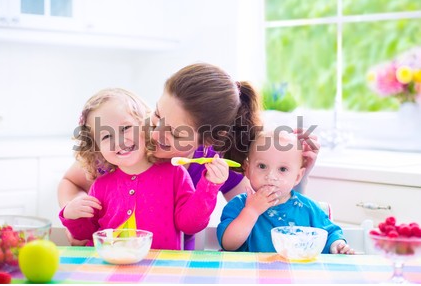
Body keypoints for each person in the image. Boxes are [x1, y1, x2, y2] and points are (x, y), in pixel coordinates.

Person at [58, 63, 320, 247]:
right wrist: (80, 215)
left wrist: (301, 176)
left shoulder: (210, 164)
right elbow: (70, 182)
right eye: (158, 114)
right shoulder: (123, 146)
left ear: (206, 143)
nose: (155, 131)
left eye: (175, 133)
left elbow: (268, 218)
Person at [59, 88, 228, 250]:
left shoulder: (174, 174)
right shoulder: (101, 185)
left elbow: (190, 224)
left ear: (146, 126)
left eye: (126, 128)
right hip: (109, 267)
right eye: (106, 136)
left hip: (159, 268)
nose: (119, 141)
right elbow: (86, 234)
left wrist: (209, 187)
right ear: (96, 148)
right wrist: (71, 215)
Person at [217, 130, 354, 254]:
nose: (271, 176)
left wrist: (337, 245)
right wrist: (251, 211)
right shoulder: (240, 205)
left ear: (298, 177)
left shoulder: (308, 208)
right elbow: (229, 245)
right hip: (254, 276)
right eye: (262, 166)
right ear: (247, 169)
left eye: (282, 169)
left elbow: (330, 233)